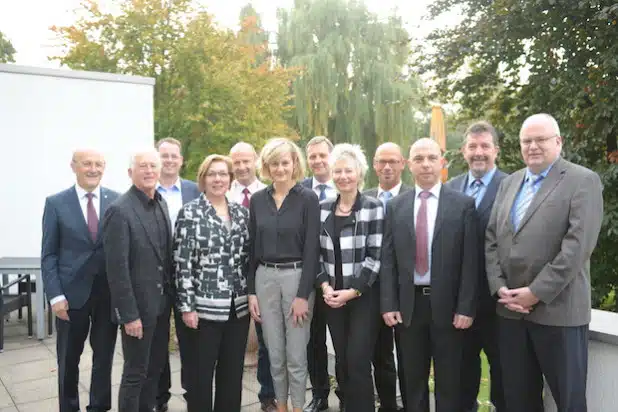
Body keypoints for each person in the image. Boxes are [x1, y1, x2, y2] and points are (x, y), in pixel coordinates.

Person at [485, 113, 603, 412]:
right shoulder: (510, 183)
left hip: (559, 313)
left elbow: (577, 247)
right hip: (511, 314)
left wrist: (535, 292)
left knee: (569, 402)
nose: (533, 146)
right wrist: (499, 287)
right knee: (518, 401)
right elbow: (491, 239)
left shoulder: (582, 180)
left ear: (558, 142)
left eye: (541, 140)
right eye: (527, 141)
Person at [381, 138, 480, 412]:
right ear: (409, 164)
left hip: (449, 309)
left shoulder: (463, 205)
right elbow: (387, 259)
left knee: (450, 381)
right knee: (412, 381)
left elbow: (470, 262)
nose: (426, 164)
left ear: (442, 163)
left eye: (432, 158)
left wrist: (466, 307)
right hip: (408, 308)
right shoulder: (396, 206)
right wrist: (388, 303)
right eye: (419, 158)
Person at [41, 149, 119, 412]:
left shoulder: (116, 201)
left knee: (104, 357)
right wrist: (55, 296)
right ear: (73, 166)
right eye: (87, 163)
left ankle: (99, 406)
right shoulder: (56, 203)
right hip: (70, 296)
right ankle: (69, 407)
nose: (93, 169)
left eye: (99, 164)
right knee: (68, 358)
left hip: (107, 294)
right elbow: (49, 254)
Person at [248, 137, 320, 412]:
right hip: (264, 279)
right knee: (274, 353)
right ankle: (281, 407)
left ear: (294, 164)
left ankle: (298, 407)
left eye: (285, 162)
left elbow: (313, 250)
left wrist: (303, 295)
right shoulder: (257, 200)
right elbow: (252, 247)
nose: (280, 168)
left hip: (297, 278)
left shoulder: (308, 199)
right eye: (274, 163)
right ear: (267, 166)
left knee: (296, 355)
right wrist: (251, 291)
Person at [174, 154, 251, 412]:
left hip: (237, 308)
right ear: (203, 179)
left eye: (223, 174)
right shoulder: (190, 213)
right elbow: (182, 263)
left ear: (230, 179)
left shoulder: (241, 213)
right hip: (203, 311)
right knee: (200, 376)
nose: (218, 179)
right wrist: (187, 307)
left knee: (232, 375)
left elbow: (247, 259)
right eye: (212, 174)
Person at [102, 148, 173, 412]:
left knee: (154, 370)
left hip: (162, 306)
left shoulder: (161, 203)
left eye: (153, 166)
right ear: (130, 172)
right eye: (142, 166)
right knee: (135, 374)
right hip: (138, 311)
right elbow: (117, 270)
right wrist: (129, 316)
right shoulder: (119, 210)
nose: (149, 171)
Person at [445, 121, 507, 412]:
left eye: (485, 146)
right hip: (460, 305)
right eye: (473, 146)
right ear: (463, 151)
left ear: (496, 150)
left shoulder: (512, 186)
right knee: (461, 379)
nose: (478, 152)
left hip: (499, 302)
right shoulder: (449, 189)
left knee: (504, 377)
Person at [317, 143, 384, 412]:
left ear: (359, 173)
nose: (343, 176)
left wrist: (352, 291)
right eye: (338, 171)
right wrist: (325, 287)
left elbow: (375, 256)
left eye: (348, 170)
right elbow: (315, 254)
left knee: (358, 360)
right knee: (343, 360)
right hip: (332, 296)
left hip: (362, 297)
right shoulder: (322, 208)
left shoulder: (372, 207)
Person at [228, 142, 275, 412]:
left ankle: (267, 396)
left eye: (247, 161)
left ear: (256, 160)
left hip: (261, 275)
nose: (243, 167)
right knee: (231, 343)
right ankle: (229, 397)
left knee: (266, 341)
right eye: (237, 162)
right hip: (231, 278)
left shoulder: (269, 193)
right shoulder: (222, 191)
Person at [155, 137, 200, 412]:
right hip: (157, 277)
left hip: (189, 278)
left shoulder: (195, 190)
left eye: (174, 156)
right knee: (159, 341)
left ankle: (193, 396)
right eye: (164, 155)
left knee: (191, 340)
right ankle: (160, 399)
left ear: (181, 160)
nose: (169, 160)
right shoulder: (147, 189)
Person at [364, 142, 410, 412]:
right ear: (374, 164)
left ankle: (411, 404)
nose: (387, 167)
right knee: (380, 354)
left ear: (403, 163)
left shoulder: (414, 196)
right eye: (382, 161)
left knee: (408, 355)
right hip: (372, 290)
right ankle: (388, 405)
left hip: (405, 289)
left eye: (393, 161)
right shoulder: (364, 197)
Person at [301, 136, 340, 412]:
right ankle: (320, 395)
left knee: (342, 340)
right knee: (313, 341)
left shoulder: (345, 183)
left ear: (332, 156)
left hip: (341, 281)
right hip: (310, 278)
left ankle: (347, 391)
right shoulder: (300, 191)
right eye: (312, 156)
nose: (317, 160)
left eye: (321, 155)